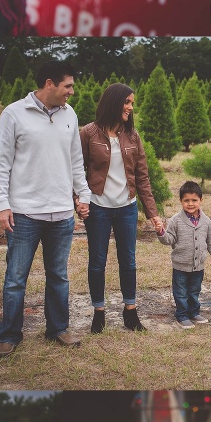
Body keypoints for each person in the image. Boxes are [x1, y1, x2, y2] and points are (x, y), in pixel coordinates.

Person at [0, 60, 91, 356]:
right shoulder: (14, 114)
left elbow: (76, 161)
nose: (72, 92)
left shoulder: (69, 115)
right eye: (68, 86)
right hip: (24, 214)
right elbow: (1, 162)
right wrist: (2, 204)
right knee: (15, 279)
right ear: (50, 84)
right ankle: (9, 334)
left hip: (61, 214)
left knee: (58, 275)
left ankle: (58, 329)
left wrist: (82, 195)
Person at [79, 82, 165, 334]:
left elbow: (142, 178)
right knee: (97, 261)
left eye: (132, 103)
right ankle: (99, 313)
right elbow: (76, 170)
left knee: (128, 261)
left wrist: (153, 214)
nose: (130, 107)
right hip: (98, 208)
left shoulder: (133, 136)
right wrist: (79, 199)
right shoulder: (89, 133)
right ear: (113, 102)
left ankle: (130, 312)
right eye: (126, 102)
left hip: (127, 207)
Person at [156, 179, 211, 328]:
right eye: (186, 200)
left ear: (201, 200)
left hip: (198, 266)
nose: (190, 203)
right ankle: (181, 315)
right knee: (180, 292)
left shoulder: (206, 221)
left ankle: (193, 312)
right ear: (181, 201)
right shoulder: (175, 220)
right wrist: (161, 232)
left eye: (194, 200)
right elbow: (169, 239)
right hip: (181, 266)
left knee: (194, 290)